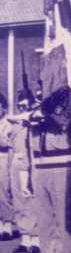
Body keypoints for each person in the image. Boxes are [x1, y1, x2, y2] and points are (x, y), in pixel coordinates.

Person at [30, 88, 71, 253]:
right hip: (40, 167)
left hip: (62, 167)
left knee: (64, 220)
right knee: (45, 222)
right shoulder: (38, 112)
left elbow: (63, 123)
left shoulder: (69, 112)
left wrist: (47, 110)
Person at [8, 91, 40, 253]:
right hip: (17, 161)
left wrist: (27, 117)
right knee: (19, 200)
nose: (22, 106)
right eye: (20, 103)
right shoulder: (15, 123)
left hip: (32, 162)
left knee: (32, 200)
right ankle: (25, 236)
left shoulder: (34, 121)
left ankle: (36, 237)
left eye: (25, 103)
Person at [0, 94, 14, 241]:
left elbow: (8, 142)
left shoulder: (8, 123)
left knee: (4, 191)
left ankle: (7, 224)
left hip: (3, 157)